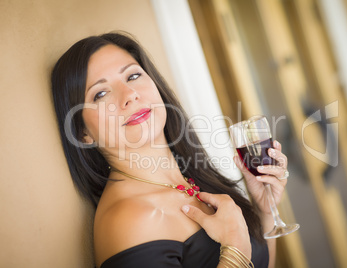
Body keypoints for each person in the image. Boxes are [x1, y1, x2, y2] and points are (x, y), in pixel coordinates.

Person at [51, 32, 289, 268]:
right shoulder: (129, 221)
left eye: (133, 76)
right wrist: (235, 251)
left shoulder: (194, 179)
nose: (130, 95)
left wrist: (265, 211)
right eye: (100, 94)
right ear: (83, 132)